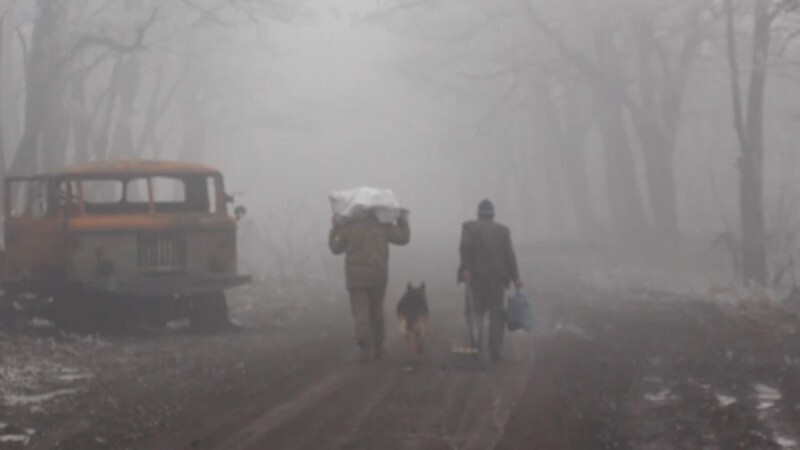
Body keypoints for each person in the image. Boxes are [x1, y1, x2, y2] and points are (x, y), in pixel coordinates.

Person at [329, 210, 410, 361]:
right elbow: (403, 238)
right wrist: (402, 221)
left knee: (361, 314)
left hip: (356, 279)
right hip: (377, 277)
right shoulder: (382, 226)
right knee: (376, 312)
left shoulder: (349, 227)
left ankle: (365, 348)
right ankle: (378, 348)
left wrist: (335, 227)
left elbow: (335, 247)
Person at [458, 199, 522, 361]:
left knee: (476, 313)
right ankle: (495, 350)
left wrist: (466, 268)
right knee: (496, 315)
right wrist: (516, 278)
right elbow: (510, 255)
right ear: (493, 215)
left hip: (476, 279)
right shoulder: (503, 231)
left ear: (478, 214)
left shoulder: (469, 228)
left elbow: (465, 247)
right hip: (497, 280)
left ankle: (476, 347)